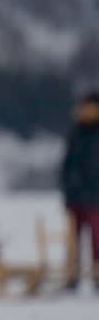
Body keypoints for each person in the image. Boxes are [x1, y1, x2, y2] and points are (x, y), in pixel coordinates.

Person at [61, 92, 99, 292]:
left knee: (97, 240)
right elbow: (67, 164)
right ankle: (71, 276)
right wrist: (67, 188)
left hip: (95, 196)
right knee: (72, 241)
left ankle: (97, 277)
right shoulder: (76, 132)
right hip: (75, 195)